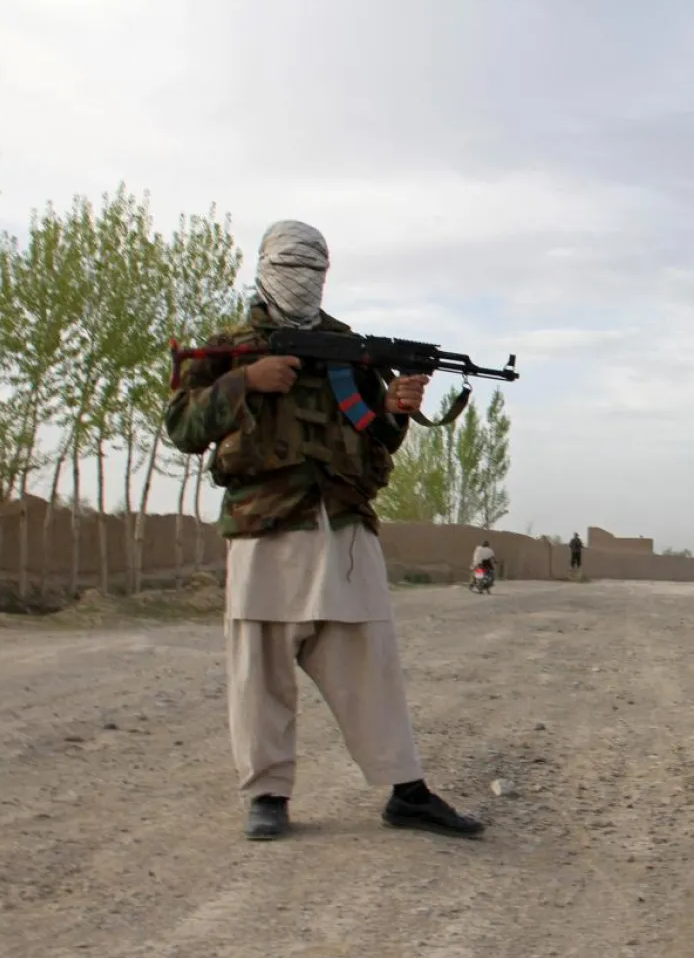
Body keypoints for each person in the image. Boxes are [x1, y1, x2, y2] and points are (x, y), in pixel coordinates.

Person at [164, 219, 485, 842]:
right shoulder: (228, 349)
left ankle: (407, 791)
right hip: (263, 525)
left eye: (314, 270)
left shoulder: (349, 351)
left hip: (341, 522)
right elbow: (182, 428)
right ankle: (267, 794)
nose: (303, 281)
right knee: (260, 666)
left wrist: (396, 409)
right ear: (264, 271)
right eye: (291, 268)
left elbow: (374, 435)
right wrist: (245, 381)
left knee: (370, 660)